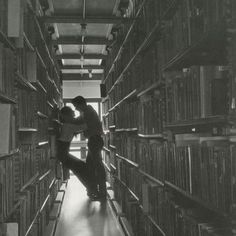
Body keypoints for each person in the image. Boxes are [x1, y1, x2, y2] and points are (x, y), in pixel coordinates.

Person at [56, 106, 97, 199]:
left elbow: (80, 127)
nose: (73, 117)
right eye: (71, 115)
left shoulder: (66, 125)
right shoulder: (68, 126)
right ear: (66, 116)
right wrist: (89, 116)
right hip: (64, 155)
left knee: (80, 170)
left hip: (63, 154)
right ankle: (91, 190)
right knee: (82, 169)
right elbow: (84, 126)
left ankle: (91, 189)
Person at [71, 96, 107, 200]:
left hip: (94, 140)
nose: (75, 109)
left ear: (81, 104)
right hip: (94, 140)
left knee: (97, 166)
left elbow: (80, 124)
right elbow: (79, 122)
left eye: (76, 106)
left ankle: (101, 193)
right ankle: (93, 190)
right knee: (91, 166)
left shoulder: (87, 112)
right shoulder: (87, 111)